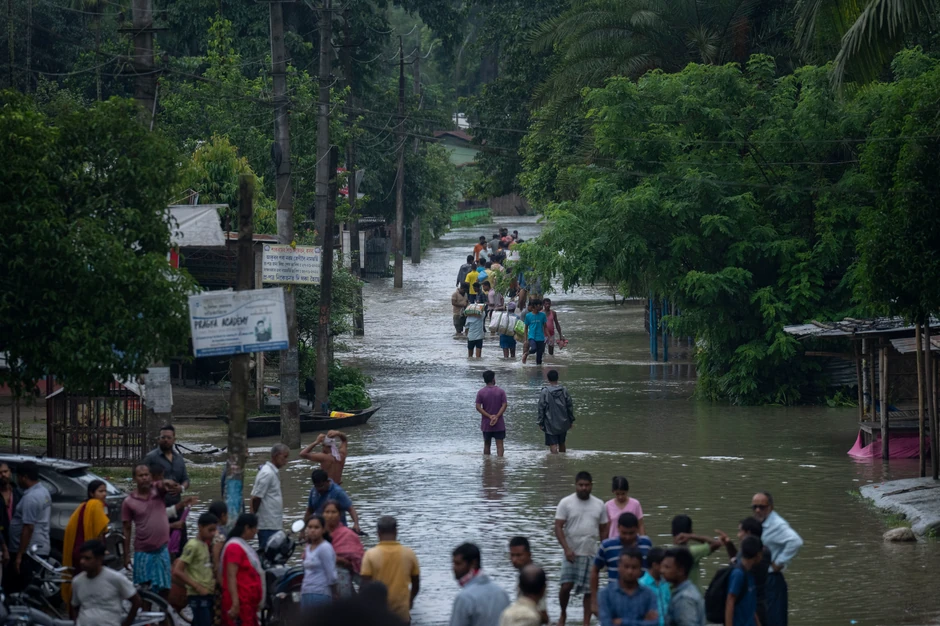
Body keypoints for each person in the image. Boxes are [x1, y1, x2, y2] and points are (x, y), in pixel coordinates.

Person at [555, 471, 609, 626]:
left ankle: (586, 622)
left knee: (589, 591)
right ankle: (563, 614)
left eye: (586, 485)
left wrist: (603, 552)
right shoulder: (566, 502)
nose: (584, 488)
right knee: (566, 586)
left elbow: (604, 529)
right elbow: (558, 527)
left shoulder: (599, 504)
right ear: (576, 485)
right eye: (581, 485)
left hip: (591, 552)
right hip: (570, 552)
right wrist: (566, 548)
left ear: (591, 486)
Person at [122, 464, 175, 595]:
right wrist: (126, 554)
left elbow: (165, 484)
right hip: (142, 552)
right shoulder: (129, 502)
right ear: (134, 478)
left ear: (151, 477)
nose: (144, 478)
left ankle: (165, 615)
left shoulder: (158, 492)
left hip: (162, 549)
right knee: (145, 592)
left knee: (165, 590)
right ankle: (145, 614)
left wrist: (171, 484)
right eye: (141, 476)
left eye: (147, 475)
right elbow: (127, 529)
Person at [751, 492, 802, 626]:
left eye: (762, 507)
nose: (757, 510)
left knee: (774, 619)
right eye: (755, 507)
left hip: (771, 579)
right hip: (759, 579)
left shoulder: (777, 525)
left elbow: (795, 541)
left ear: (770, 508)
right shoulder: (759, 523)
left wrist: (778, 563)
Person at [361, 516, 420, 624]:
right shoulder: (409, 554)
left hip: (378, 614)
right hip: (401, 613)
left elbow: (364, 586)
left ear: (378, 533)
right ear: (396, 531)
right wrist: (410, 600)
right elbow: (416, 584)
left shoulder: (370, 554)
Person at [589, 513, 652, 616]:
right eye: (624, 533)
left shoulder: (646, 544)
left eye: (631, 533)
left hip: (641, 599)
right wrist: (594, 601)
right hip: (615, 598)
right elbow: (595, 570)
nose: (627, 537)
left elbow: (652, 570)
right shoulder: (607, 546)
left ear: (637, 529)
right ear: (618, 528)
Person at [70, 540, 142, 626]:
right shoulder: (77, 581)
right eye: (81, 558)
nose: (82, 562)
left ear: (99, 559)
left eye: (87, 558)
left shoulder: (115, 578)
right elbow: (75, 606)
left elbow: (136, 601)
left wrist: (127, 623)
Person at [62, 480, 111, 605]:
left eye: (105, 491)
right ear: (91, 493)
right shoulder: (95, 504)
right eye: (101, 491)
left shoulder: (84, 505)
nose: (104, 494)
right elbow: (100, 531)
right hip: (89, 555)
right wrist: (102, 550)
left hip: (78, 551)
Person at [716, 518, 771, 626]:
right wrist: (729, 545)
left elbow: (739, 566)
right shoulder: (762, 551)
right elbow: (739, 561)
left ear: (748, 533)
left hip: (749, 606)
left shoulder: (759, 554)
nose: (738, 535)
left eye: (740, 531)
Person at [8, 461, 51, 590]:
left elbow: (28, 527)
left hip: (29, 552)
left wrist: (20, 555)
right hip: (38, 547)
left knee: (24, 588)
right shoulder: (43, 491)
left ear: (24, 477)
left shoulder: (31, 498)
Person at [173, 513, 219, 626]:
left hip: (207, 593)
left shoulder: (204, 545)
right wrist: (197, 586)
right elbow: (177, 571)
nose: (213, 533)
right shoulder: (192, 545)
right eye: (210, 530)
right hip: (197, 595)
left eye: (215, 530)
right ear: (200, 527)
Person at [449, 542, 510, 626]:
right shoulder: (502, 593)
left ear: (473, 563)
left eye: (458, 563)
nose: (453, 568)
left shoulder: (464, 598)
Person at [221, 514, 264, 626]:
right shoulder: (234, 547)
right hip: (240, 603)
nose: (256, 531)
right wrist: (235, 603)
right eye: (254, 528)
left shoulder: (242, 545)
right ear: (246, 528)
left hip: (247, 604)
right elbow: (231, 576)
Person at [597, 550, 658, 626]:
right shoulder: (605, 594)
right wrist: (642, 622)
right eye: (626, 567)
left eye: (634, 567)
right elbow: (606, 623)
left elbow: (655, 623)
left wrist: (621, 622)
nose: (630, 571)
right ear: (619, 567)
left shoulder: (649, 594)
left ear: (640, 569)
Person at [251, 443, 290, 550]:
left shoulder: (271, 472)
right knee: (268, 555)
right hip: (267, 525)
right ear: (276, 456)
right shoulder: (267, 473)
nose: (286, 461)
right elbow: (256, 497)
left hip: (273, 523)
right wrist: (254, 518)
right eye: (284, 457)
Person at [323, 501, 364, 597]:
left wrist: (340, 561)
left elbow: (359, 561)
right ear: (322, 514)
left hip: (343, 576)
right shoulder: (318, 533)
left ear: (339, 514)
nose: (330, 516)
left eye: (333, 512)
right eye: (327, 512)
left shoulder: (348, 534)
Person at [144, 424, 189, 506]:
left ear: (174, 440)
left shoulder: (179, 459)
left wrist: (181, 488)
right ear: (158, 439)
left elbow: (186, 479)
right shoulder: (151, 457)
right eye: (163, 437)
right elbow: (143, 480)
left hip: (176, 506)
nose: (166, 440)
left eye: (169, 438)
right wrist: (161, 483)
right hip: (155, 505)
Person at [508, 537, 550, 625]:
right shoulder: (524, 574)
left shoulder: (534, 578)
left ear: (529, 555)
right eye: (512, 555)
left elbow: (543, 614)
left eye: (519, 555)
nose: (514, 560)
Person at [670, 515, 721, 586]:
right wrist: (691, 536)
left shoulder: (666, 554)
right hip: (694, 595)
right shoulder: (693, 552)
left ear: (672, 531)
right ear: (691, 531)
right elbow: (716, 543)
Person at [661, 548, 705, 626]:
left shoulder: (684, 598)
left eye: (667, 567)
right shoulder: (691, 590)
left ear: (681, 571)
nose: (662, 570)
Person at [301, 515, 338, 609]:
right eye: (310, 527)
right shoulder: (309, 548)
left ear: (323, 530)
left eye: (316, 527)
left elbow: (331, 575)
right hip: (306, 592)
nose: (312, 530)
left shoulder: (325, 548)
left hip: (320, 593)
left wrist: (335, 594)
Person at [726, 536, 761, 626]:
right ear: (758, 555)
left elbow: (751, 605)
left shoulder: (750, 573)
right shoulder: (738, 574)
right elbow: (730, 602)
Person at [538, 370, 575, 454]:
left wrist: (540, 422)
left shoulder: (545, 392)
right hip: (563, 421)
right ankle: (562, 460)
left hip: (550, 422)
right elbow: (569, 406)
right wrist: (571, 420)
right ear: (557, 378)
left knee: (553, 443)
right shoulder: (564, 390)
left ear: (548, 379)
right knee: (562, 442)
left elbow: (541, 407)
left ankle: (555, 462)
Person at [476, 370, 508, 457]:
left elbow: (478, 407)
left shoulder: (481, 392)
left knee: (487, 444)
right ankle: (500, 463)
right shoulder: (501, 391)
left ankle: (487, 464)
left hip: (486, 423)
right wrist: (496, 416)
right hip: (499, 423)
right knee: (500, 445)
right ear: (493, 379)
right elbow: (504, 405)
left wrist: (489, 416)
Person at [640, 548, 671, 626]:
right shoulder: (641, 585)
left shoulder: (666, 583)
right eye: (665, 566)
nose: (667, 569)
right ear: (655, 565)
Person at [523, 299, 547, 365]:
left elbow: (545, 327)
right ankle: (526, 354)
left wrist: (549, 337)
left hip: (541, 337)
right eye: (539, 305)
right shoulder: (528, 316)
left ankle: (538, 371)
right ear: (535, 306)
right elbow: (525, 328)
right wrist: (525, 340)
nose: (541, 307)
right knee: (533, 349)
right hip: (532, 336)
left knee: (539, 358)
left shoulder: (543, 315)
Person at [209, 501, 229, 573]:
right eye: (227, 514)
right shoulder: (220, 532)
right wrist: (217, 568)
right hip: (219, 566)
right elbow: (216, 551)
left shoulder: (208, 529)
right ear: (223, 515)